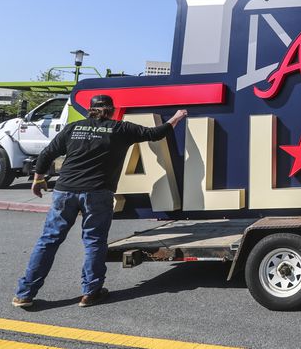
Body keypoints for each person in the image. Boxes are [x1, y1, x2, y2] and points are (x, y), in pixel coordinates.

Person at [12, 95, 187, 308]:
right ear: (112, 110)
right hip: (97, 193)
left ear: (90, 110)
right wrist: (176, 118)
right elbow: (155, 133)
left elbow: (47, 154)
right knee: (94, 242)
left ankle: (25, 294)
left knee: (48, 241)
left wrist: (38, 179)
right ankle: (90, 292)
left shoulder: (73, 128)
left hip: (64, 191)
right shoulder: (120, 129)